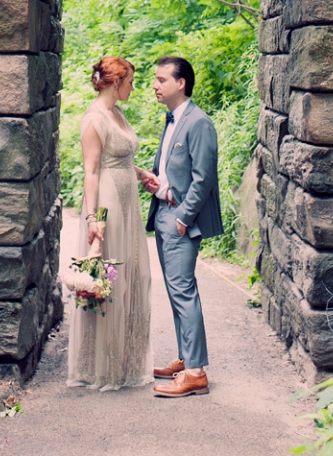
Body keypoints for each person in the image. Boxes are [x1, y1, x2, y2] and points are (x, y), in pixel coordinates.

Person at [67, 56, 156, 390]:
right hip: (106, 202)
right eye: (130, 81)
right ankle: (101, 367)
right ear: (116, 81)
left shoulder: (117, 113)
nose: (133, 87)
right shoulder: (94, 119)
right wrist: (93, 218)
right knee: (110, 276)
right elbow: (92, 171)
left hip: (128, 199)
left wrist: (141, 173)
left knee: (136, 274)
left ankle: (126, 362)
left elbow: (118, 159)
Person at [143, 56, 223, 398]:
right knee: (176, 290)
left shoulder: (199, 122)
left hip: (179, 221)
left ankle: (195, 373)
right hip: (164, 211)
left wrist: (181, 218)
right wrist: (159, 186)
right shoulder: (174, 119)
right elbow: (178, 172)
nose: (155, 85)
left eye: (162, 79)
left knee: (183, 290)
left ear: (181, 83)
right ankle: (185, 357)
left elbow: (203, 180)